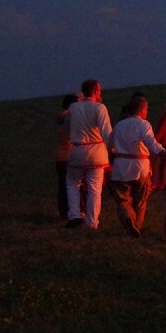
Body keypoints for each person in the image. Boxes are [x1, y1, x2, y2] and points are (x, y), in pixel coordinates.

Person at [107, 96, 166, 237]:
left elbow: (110, 144)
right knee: (141, 200)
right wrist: (161, 151)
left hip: (121, 166)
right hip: (140, 167)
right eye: (146, 109)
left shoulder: (119, 125)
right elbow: (150, 141)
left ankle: (128, 218)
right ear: (142, 109)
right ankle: (137, 227)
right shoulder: (143, 124)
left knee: (123, 199)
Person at [64, 79, 113, 229]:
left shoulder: (73, 108)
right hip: (97, 152)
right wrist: (112, 147)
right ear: (96, 91)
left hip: (78, 150)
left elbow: (67, 127)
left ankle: (74, 215)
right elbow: (106, 131)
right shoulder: (100, 108)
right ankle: (92, 222)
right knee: (95, 188)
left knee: (72, 183)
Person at [55, 94, 79, 220]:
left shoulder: (60, 116)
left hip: (60, 156)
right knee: (70, 186)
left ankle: (63, 211)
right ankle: (70, 211)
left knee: (62, 186)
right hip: (68, 156)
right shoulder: (67, 116)